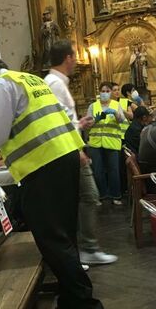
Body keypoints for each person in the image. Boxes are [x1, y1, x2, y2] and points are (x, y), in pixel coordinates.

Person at [0, 52, 109, 309]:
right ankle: (71, 307)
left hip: (44, 165)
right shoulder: (29, 79)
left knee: (52, 241)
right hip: (63, 156)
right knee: (65, 239)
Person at [45, 40, 118, 266]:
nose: (76, 60)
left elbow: (65, 120)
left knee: (82, 198)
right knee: (88, 196)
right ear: (68, 57)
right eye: (74, 56)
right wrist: (77, 150)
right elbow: (56, 124)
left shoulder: (55, 82)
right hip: (68, 151)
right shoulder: (54, 84)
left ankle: (82, 249)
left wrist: (79, 123)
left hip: (69, 149)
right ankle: (84, 249)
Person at [87, 81, 126, 205]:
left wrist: (115, 113)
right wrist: (95, 119)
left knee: (113, 170)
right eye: (102, 91)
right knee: (98, 171)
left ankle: (116, 195)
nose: (105, 93)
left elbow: (122, 120)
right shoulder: (93, 106)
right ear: (99, 92)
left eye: (107, 91)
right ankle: (102, 195)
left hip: (112, 142)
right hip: (96, 143)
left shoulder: (116, 104)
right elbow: (87, 125)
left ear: (111, 92)